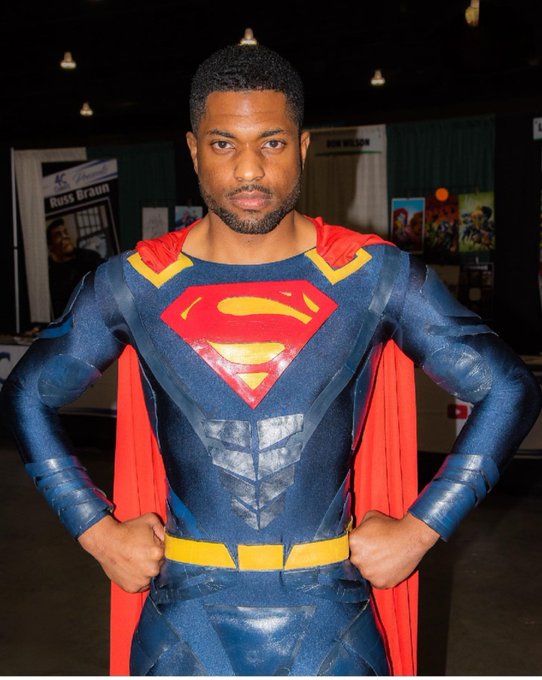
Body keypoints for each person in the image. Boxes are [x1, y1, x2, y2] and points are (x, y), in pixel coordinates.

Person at [2, 35, 541, 677]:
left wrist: (423, 529)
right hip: (183, 623)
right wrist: (95, 530)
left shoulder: (372, 277)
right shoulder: (133, 285)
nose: (249, 171)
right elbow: (26, 392)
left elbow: (508, 387)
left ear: (303, 148)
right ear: (193, 150)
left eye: (272, 143)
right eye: (224, 144)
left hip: (331, 621)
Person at [47, 217, 105, 318]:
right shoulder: (52, 277)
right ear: (51, 246)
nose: (65, 236)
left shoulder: (89, 257)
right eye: (58, 235)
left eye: (65, 232)